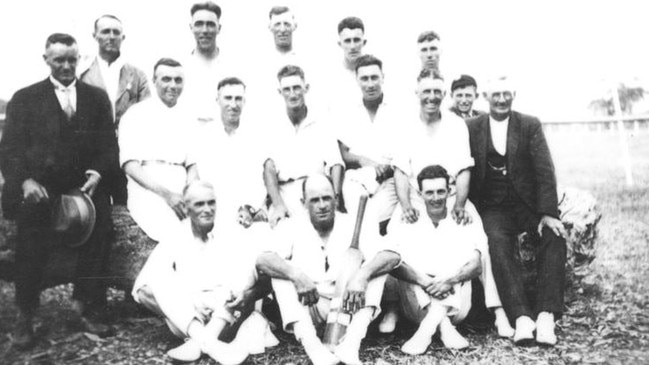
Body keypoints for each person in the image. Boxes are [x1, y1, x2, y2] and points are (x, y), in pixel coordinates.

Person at [0, 33, 119, 347]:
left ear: (78, 59)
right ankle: (25, 312)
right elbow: (9, 149)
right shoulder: (25, 98)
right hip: (41, 189)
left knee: (103, 224)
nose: (67, 66)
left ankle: (87, 303)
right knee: (31, 231)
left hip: (84, 188)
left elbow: (108, 145)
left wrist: (97, 172)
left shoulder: (95, 97)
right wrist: (24, 181)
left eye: (72, 59)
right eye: (59, 60)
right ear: (47, 60)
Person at [256, 174, 401, 365]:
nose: (322, 205)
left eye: (327, 198)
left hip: (348, 306)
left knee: (376, 272)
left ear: (337, 199)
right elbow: (263, 260)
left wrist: (362, 276)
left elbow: (392, 256)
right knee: (282, 275)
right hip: (311, 305)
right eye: (315, 200)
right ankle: (314, 348)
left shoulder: (353, 223)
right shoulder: (291, 225)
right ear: (303, 203)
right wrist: (296, 275)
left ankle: (350, 346)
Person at [466, 76, 567, 346]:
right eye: (495, 94)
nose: (501, 99)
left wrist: (548, 213)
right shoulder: (472, 127)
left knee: (554, 236)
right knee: (496, 243)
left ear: (514, 94)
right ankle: (521, 317)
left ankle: (546, 315)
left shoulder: (529, 124)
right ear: (485, 96)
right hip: (492, 207)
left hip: (527, 206)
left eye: (506, 93)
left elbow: (545, 170)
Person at [133, 181, 275, 364]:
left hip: (227, 317)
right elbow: (141, 291)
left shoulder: (230, 233)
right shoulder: (175, 236)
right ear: (186, 207)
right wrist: (187, 304)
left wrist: (246, 295)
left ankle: (199, 343)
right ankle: (211, 345)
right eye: (199, 204)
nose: (207, 209)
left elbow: (262, 280)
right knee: (156, 279)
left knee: (245, 262)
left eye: (211, 203)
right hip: (189, 320)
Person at [387, 165, 513, 354]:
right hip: (417, 304)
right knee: (409, 261)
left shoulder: (462, 218)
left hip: (457, 304)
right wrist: (424, 280)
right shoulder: (410, 220)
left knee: (459, 260)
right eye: (429, 192)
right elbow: (393, 264)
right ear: (420, 194)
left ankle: (427, 331)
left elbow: (477, 265)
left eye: (440, 191)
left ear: (449, 191)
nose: (436, 198)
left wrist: (449, 280)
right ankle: (443, 327)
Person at [119, 58, 199, 242]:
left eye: (178, 80)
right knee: (176, 235)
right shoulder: (135, 115)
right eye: (166, 79)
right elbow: (130, 166)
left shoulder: (188, 118)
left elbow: (193, 165)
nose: (172, 85)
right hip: (149, 190)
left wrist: (190, 193)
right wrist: (167, 195)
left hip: (181, 187)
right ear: (154, 81)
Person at [80, 14, 150, 205]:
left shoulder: (137, 76)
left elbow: (146, 115)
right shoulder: (82, 73)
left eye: (116, 32)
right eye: (105, 31)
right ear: (95, 35)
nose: (111, 36)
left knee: (128, 207)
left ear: (123, 37)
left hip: (127, 152)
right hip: (93, 156)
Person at [263, 65, 344, 227]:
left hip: (317, 192)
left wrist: (335, 197)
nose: (292, 94)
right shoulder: (272, 125)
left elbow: (335, 164)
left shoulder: (322, 121)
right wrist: (278, 205)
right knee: (281, 232)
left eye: (297, 88)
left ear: (306, 89)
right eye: (287, 89)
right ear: (280, 92)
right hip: (286, 193)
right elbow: (268, 169)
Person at [393, 69, 475, 227]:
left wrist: (459, 206)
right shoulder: (404, 125)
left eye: (437, 91)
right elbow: (400, 171)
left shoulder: (457, 124)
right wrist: (406, 206)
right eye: (426, 91)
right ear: (417, 93)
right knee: (397, 240)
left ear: (444, 94)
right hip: (416, 197)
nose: (431, 97)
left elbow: (464, 170)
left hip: (449, 196)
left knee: (473, 236)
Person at [333, 54, 398, 223]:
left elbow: (407, 149)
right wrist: (363, 160)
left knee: (377, 218)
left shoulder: (398, 108)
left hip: (390, 178)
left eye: (374, 77)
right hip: (357, 177)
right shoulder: (348, 111)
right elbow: (343, 152)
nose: (370, 84)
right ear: (357, 80)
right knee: (358, 215)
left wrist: (388, 167)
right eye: (364, 79)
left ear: (383, 77)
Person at [194, 76, 268, 226]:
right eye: (228, 98)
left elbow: (258, 180)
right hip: (214, 217)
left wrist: (250, 208)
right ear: (218, 100)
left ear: (244, 101)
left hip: (249, 217)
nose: (233, 105)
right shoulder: (204, 137)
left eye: (238, 99)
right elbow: (203, 179)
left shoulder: (256, 137)